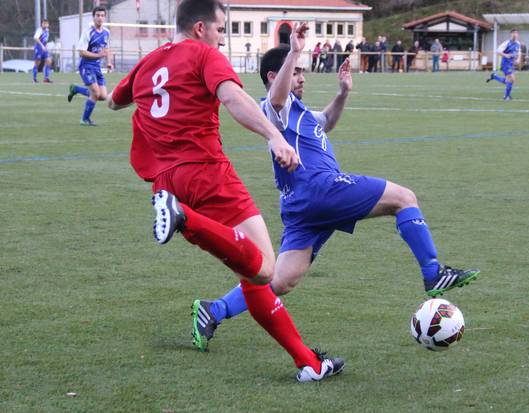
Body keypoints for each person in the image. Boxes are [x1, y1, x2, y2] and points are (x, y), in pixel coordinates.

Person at [191, 32, 479, 352]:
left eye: (301, 70)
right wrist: (293, 53)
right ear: (276, 76)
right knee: (404, 198)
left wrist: (342, 93)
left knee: (281, 280)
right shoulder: (275, 107)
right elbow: (274, 99)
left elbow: (326, 121)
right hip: (320, 189)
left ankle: (213, 309)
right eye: (297, 71)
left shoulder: (300, 113)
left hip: (303, 205)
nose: (302, 77)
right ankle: (433, 273)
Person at [106, 2, 343, 382]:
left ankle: (308, 364)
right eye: (220, 29)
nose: (221, 37)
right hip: (206, 172)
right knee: (265, 268)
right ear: (200, 28)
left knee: (249, 271)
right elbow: (234, 99)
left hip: (166, 181)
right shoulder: (204, 55)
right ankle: (185, 220)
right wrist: (274, 135)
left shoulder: (147, 63)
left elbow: (114, 101)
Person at [66, 7, 110, 126]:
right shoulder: (88, 32)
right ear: (93, 17)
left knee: (103, 96)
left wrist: (109, 62)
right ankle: (84, 120)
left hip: (97, 67)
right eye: (97, 15)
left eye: (102, 15)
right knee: (95, 93)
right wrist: (98, 55)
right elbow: (81, 52)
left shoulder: (106, 32)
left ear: (104, 17)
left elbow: (106, 49)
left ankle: (76, 89)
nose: (100, 18)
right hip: (86, 66)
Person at [486, 28, 521, 101]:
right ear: (511, 34)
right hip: (505, 63)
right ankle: (506, 96)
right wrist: (505, 55)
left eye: (516, 33)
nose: (515, 34)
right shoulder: (507, 43)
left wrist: (518, 59)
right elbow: (498, 51)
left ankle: (494, 77)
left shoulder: (518, 43)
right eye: (514, 33)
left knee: (510, 80)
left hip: (511, 63)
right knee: (511, 79)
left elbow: (519, 52)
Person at [32, 19, 53, 83]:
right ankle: (34, 79)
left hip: (44, 49)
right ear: (42, 24)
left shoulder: (47, 30)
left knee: (49, 61)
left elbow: (45, 40)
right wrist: (42, 46)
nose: (45, 25)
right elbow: (36, 38)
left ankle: (46, 78)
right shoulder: (39, 30)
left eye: (46, 23)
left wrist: (45, 45)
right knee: (37, 63)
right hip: (38, 48)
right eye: (44, 23)